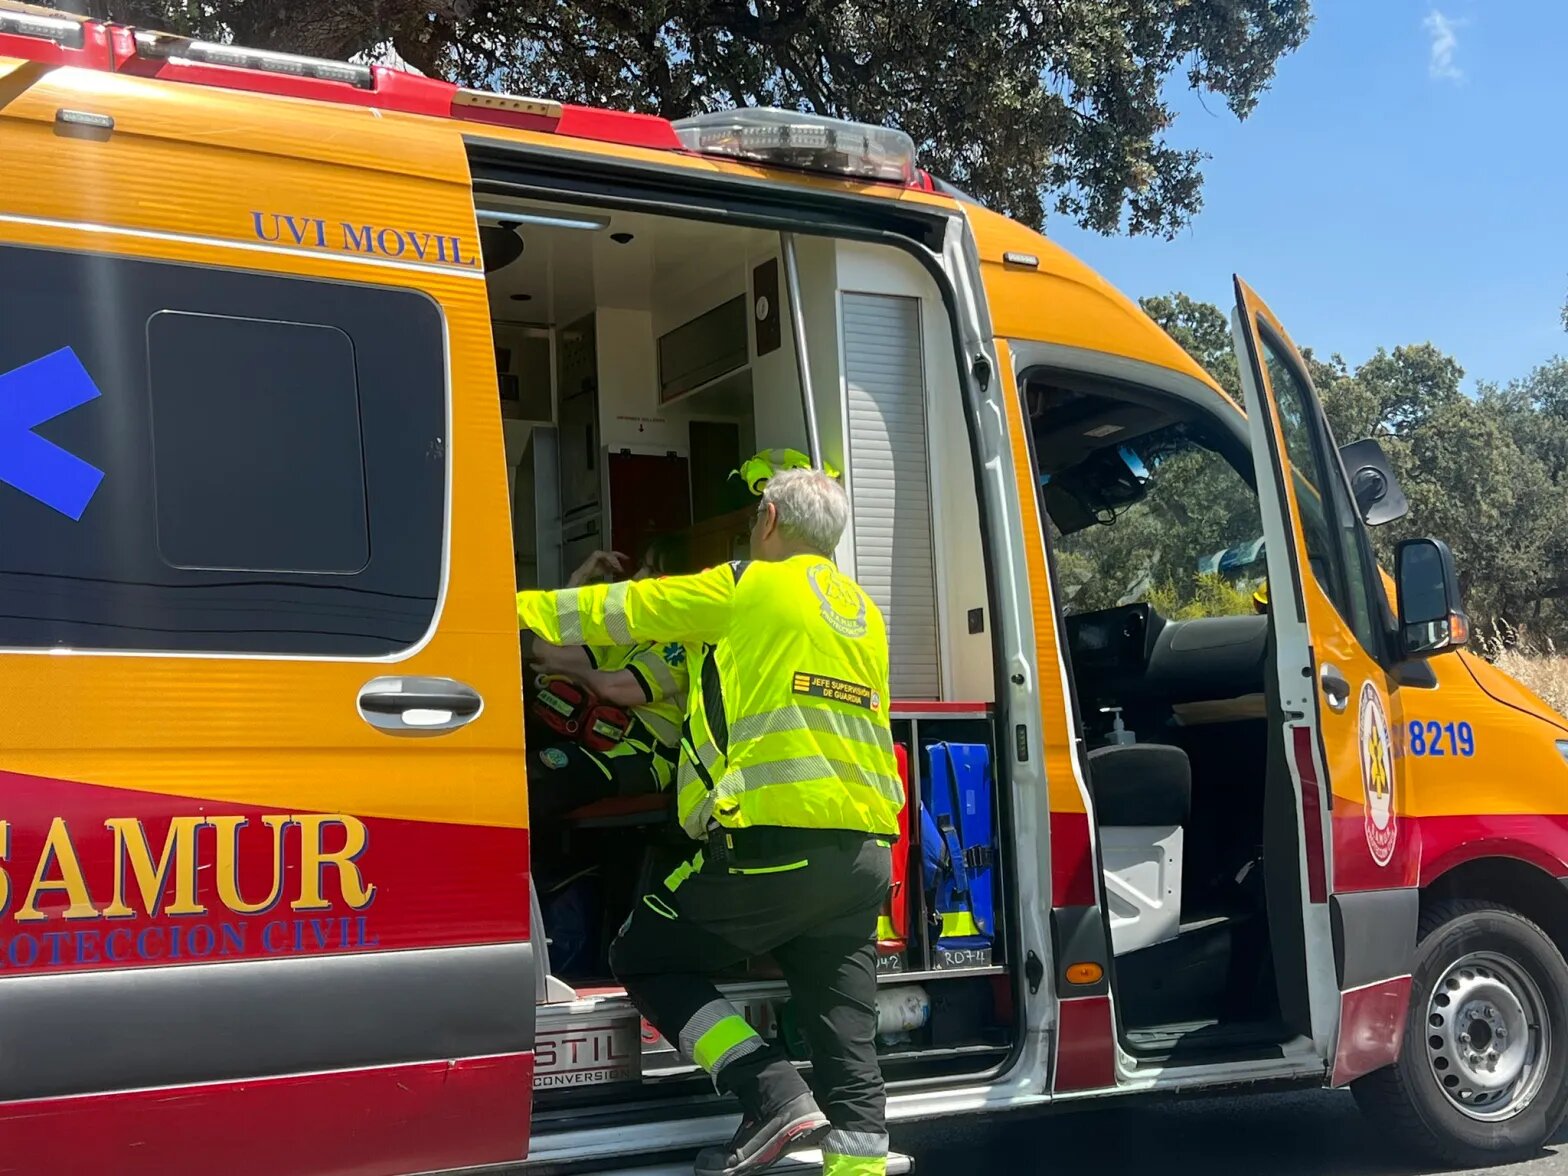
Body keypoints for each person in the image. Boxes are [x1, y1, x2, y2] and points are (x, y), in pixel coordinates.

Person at [517, 468, 903, 1176]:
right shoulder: (862, 613)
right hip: (864, 860)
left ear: (768, 519)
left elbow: (625, 611)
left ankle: (772, 1092)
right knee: (848, 1045)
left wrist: (504, 609)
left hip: (775, 849)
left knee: (647, 957)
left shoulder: (743, 586)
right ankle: (859, 1165)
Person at [524, 537, 688, 825]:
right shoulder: (629, 631)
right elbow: (543, 650)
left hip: (642, 755)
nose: (636, 578)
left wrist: (580, 675)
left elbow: (613, 689)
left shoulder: (683, 645)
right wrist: (581, 576)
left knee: (534, 783)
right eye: (641, 568)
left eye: (649, 571)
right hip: (593, 733)